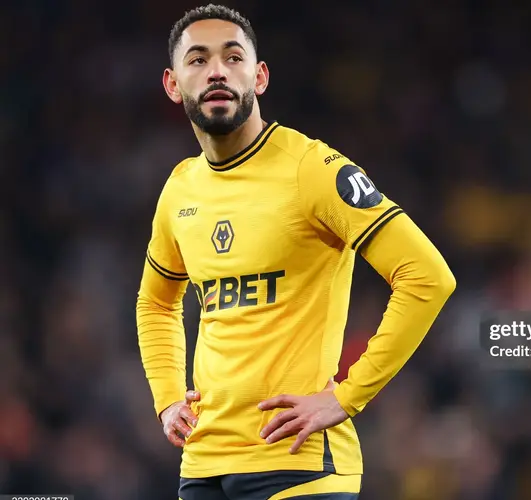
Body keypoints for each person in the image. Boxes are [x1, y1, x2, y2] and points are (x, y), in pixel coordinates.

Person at [135, 3, 456, 500]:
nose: (217, 71)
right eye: (198, 60)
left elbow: (428, 276)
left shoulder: (312, 169)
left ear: (259, 76)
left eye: (233, 57)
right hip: (203, 463)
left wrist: (346, 398)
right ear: (173, 84)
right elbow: (156, 302)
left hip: (300, 464)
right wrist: (167, 399)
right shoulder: (180, 190)